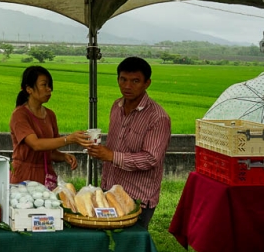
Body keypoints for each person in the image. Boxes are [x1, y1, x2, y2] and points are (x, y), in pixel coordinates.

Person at [85, 57, 172, 229]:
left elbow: (150, 159)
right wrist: (100, 151)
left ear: (147, 83)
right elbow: (115, 144)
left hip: (136, 196)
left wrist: (111, 156)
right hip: (109, 190)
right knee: (108, 241)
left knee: (130, 244)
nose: (127, 86)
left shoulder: (158, 117)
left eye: (135, 81)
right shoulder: (116, 106)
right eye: (123, 79)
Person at [9, 66, 90, 188]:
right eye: (44, 85)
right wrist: (69, 139)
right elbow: (36, 145)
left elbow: (49, 153)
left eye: (50, 86)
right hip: (24, 175)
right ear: (29, 89)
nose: (49, 89)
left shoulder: (50, 115)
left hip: (45, 175)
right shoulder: (20, 115)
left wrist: (63, 157)